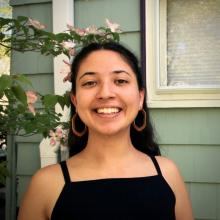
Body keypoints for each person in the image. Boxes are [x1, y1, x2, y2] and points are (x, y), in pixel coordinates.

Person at [18, 42, 194, 220]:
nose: (105, 93)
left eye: (120, 81)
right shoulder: (46, 184)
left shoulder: (167, 172)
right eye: (90, 82)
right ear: (76, 101)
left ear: (140, 97)